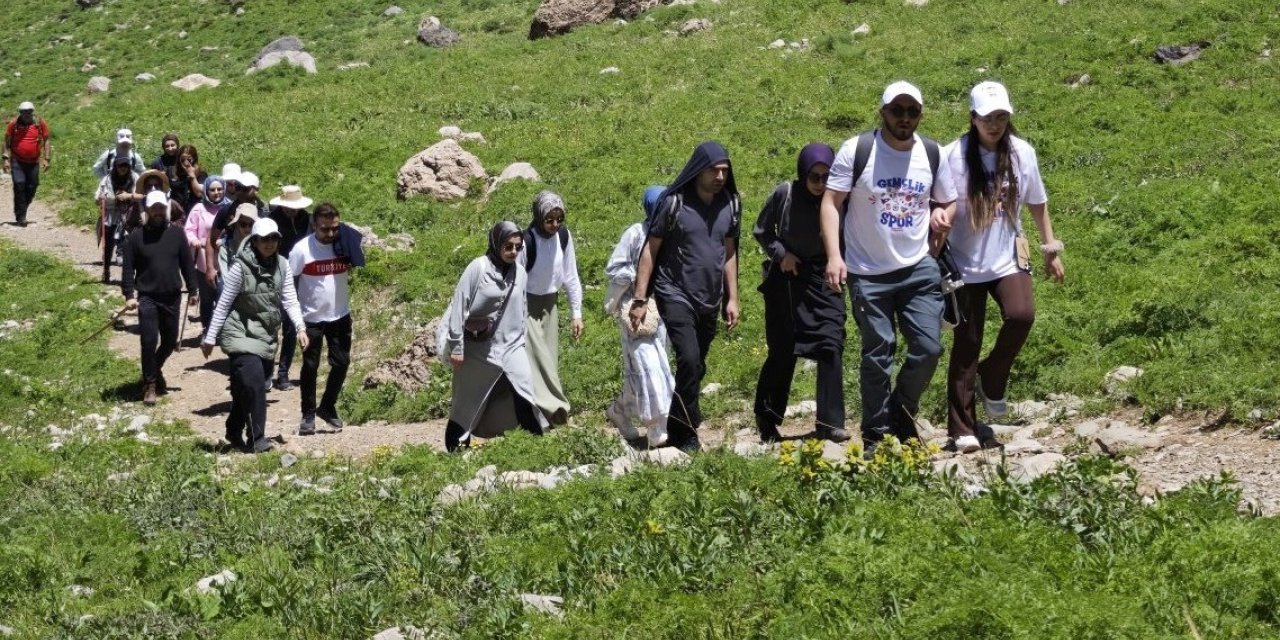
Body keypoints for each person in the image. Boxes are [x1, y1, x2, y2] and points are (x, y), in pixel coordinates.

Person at [819, 81, 958, 453]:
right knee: (878, 351)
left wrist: (943, 215)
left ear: (920, 115)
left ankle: (902, 410)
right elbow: (832, 203)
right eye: (898, 111)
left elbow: (949, 201)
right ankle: (876, 435)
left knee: (928, 348)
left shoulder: (931, 153)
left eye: (912, 112)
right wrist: (835, 256)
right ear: (883, 112)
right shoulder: (858, 150)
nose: (905, 118)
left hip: (918, 267)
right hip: (867, 271)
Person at [943, 81, 1065, 453]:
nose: (994, 125)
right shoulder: (953, 155)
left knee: (1021, 314)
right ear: (972, 119)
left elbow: (1037, 202)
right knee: (967, 343)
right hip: (964, 263)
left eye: (1001, 117)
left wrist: (1050, 247)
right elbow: (940, 202)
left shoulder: (1021, 153)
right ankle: (961, 428)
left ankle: (993, 374)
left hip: (1008, 255)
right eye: (986, 118)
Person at [630, 141, 742, 452]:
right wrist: (640, 299)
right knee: (689, 360)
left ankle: (680, 420)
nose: (720, 177)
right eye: (713, 170)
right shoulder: (673, 203)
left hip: (710, 296)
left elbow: (730, 252)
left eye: (724, 171)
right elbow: (650, 251)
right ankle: (686, 432)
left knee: (696, 365)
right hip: (674, 291)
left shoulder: (730, 204)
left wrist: (733, 297)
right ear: (697, 171)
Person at [753, 143, 849, 443]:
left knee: (831, 344)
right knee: (783, 350)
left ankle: (830, 422)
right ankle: (767, 421)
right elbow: (762, 230)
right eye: (814, 177)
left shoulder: (840, 200)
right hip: (789, 280)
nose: (821, 184)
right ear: (803, 174)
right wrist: (782, 254)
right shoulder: (786, 194)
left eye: (826, 177)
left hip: (826, 277)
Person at [201, 218, 308, 452]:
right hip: (240, 331)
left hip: (266, 335)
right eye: (264, 239)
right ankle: (257, 439)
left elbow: (290, 298)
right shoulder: (240, 267)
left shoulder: (283, 265)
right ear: (255, 241)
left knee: (244, 390)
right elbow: (224, 302)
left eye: (274, 238)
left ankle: (233, 428)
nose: (270, 243)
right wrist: (210, 337)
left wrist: (300, 327)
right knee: (255, 385)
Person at [440, 221, 548, 452]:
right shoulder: (477, 268)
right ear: (496, 243)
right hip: (478, 349)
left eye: (518, 247)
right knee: (466, 403)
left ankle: (536, 447)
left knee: (525, 391)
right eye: (507, 246)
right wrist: (457, 348)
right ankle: (456, 447)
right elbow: (459, 308)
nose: (513, 252)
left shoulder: (519, 271)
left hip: (511, 346)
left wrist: (523, 340)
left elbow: (523, 307)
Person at [603, 186, 673, 447]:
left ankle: (619, 411)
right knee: (649, 367)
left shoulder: (673, 234)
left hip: (663, 312)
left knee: (657, 367)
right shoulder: (635, 234)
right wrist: (641, 274)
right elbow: (615, 267)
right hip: (635, 313)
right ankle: (656, 428)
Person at [121, 191, 198, 406]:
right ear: (146, 209)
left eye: (161, 208)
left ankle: (154, 369)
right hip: (147, 297)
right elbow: (128, 271)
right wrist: (129, 295)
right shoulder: (135, 237)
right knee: (148, 341)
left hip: (172, 296)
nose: (157, 211)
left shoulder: (177, 234)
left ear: (167, 209)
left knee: (170, 341)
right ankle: (150, 385)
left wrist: (193, 290)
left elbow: (187, 264)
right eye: (153, 208)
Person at [289, 203, 355, 435]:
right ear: (314, 225)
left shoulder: (343, 244)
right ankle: (308, 414)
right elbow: (289, 283)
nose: (330, 234)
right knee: (310, 366)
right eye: (324, 229)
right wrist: (295, 318)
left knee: (342, 363)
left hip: (340, 315)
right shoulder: (301, 250)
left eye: (334, 228)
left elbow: (358, 257)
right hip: (311, 318)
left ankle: (327, 406)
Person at [521, 190, 584, 425]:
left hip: (550, 304)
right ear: (539, 217)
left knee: (549, 359)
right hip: (526, 306)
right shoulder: (527, 241)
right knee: (536, 359)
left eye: (559, 220)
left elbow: (571, 276)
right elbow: (516, 280)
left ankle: (542, 415)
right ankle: (557, 410)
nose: (554, 225)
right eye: (549, 220)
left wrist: (576, 313)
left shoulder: (564, 237)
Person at [268, 185, 314, 391]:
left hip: (302, 277)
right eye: (288, 207)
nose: (291, 211)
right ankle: (266, 370)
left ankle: (283, 372)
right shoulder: (272, 221)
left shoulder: (309, 220)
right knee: (271, 324)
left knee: (290, 326)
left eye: (294, 207)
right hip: (275, 275)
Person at [184, 175, 229, 335]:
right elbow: (188, 230)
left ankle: (224, 332)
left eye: (219, 189)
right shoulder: (199, 208)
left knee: (224, 297)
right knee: (207, 299)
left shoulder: (230, 207)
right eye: (212, 190)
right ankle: (207, 330)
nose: (216, 193)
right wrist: (195, 241)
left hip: (226, 260)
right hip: (203, 260)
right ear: (206, 191)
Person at [204, 170, 264, 286]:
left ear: (255, 190)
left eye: (244, 188)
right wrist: (210, 268)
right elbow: (211, 239)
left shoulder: (264, 213)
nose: (239, 191)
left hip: (258, 268)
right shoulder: (226, 210)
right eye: (237, 187)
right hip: (230, 267)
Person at [3, 102, 51, 227]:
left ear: (32, 111)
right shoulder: (13, 124)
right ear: (20, 112)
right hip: (17, 161)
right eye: (24, 112)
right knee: (19, 185)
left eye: (29, 111)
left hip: (34, 161)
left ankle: (22, 208)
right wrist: (5, 159)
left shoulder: (39, 123)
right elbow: (7, 142)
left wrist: (47, 158)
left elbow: (46, 140)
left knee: (32, 186)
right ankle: (21, 217)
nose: (26, 114)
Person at [95, 156, 140, 283]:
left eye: (125, 166)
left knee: (130, 245)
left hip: (129, 215)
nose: (123, 168)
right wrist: (101, 198)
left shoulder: (134, 177)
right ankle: (106, 269)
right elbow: (98, 195)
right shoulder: (107, 179)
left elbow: (139, 194)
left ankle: (131, 275)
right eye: (120, 166)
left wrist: (127, 196)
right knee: (108, 245)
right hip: (111, 215)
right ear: (116, 166)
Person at [168, 144, 206, 215]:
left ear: (194, 159)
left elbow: (199, 194)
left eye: (189, 159)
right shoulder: (172, 171)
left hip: (194, 210)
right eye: (182, 160)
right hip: (176, 210)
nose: (185, 163)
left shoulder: (201, 173)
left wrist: (192, 176)